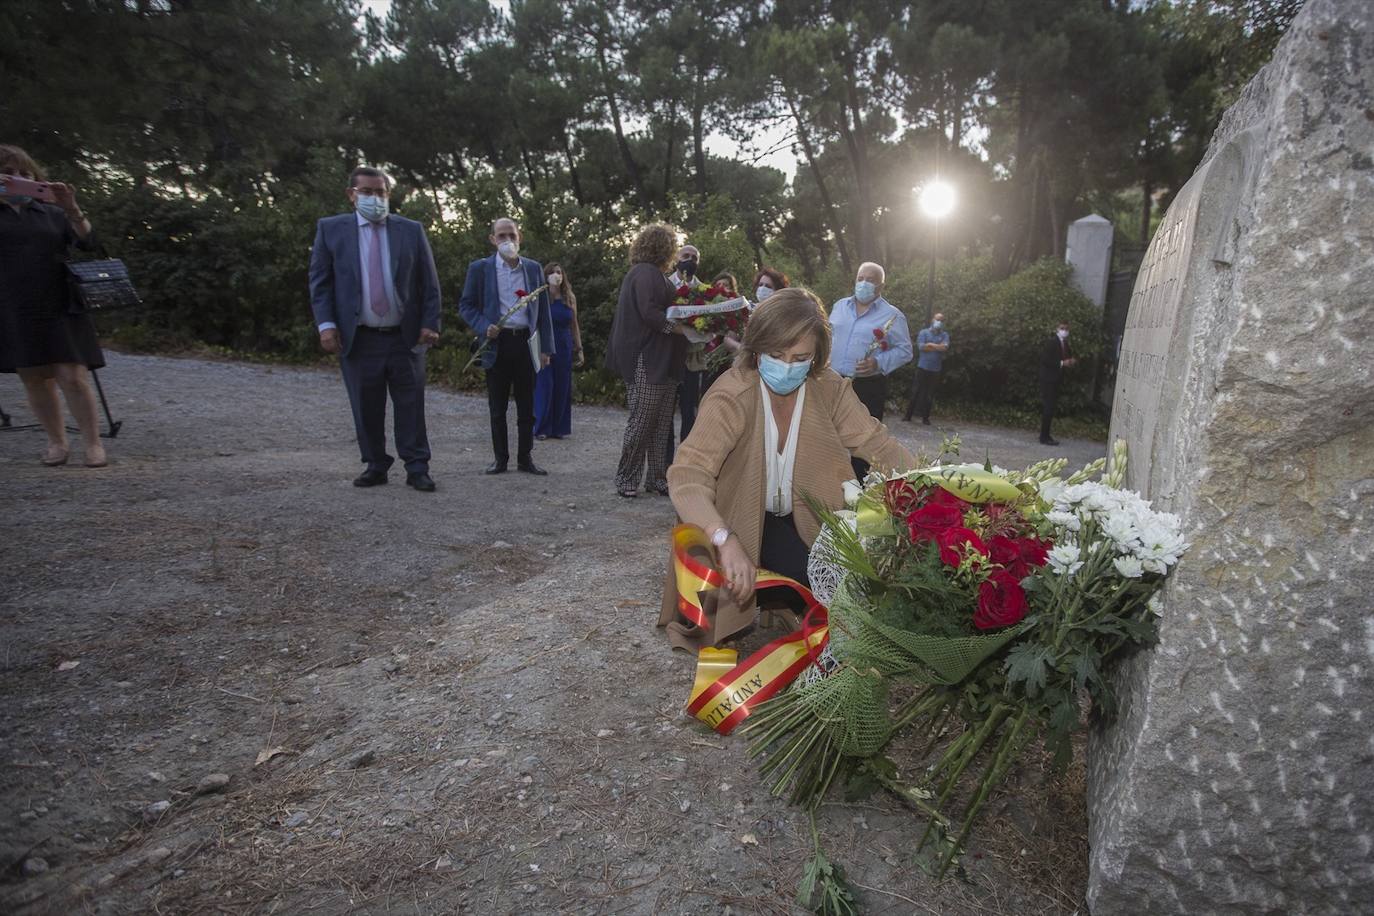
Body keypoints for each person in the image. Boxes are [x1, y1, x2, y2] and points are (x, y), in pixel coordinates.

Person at [659, 287, 917, 650]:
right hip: (732, 519)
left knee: (840, 585)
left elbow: (877, 444)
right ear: (756, 348)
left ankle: (777, 596)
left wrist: (932, 483)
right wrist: (724, 539)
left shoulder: (828, 388)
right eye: (775, 354)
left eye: (801, 357)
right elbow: (688, 475)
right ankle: (766, 593)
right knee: (805, 585)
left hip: (796, 517)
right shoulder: (732, 394)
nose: (786, 366)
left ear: (818, 357)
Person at [309, 166, 442, 491]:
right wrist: (326, 325)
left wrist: (430, 323)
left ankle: (417, 467)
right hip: (359, 337)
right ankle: (375, 463)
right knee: (365, 404)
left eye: (381, 192)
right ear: (352, 195)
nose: (375, 198)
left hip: (404, 336)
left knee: (410, 403)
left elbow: (429, 282)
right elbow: (321, 282)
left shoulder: (410, 230)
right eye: (368, 192)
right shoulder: (331, 230)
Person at [0, 145, 109, 468]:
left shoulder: (53, 212)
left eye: (24, 173)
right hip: (11, 303)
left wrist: (72, 208)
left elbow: (89, 243)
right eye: (9, 172)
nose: (18, 179)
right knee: (34, 377)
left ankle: (93, 443)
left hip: (58, 299)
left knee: (72, 375)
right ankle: (56, 442)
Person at [458, 217, 554, 475]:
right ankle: (500, 459)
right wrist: (483, 325)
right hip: (496, 344)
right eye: (501, 236)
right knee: (497, 407)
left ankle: (525, 458)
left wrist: (546, 348)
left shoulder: (533, 268)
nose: (507, 240)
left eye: (511, 235)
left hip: (526, 342)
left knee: (527, 406)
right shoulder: (480, 268)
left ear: (519, 236)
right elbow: (466, 305)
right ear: (492, 239)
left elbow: (543, 310)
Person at [606, 223, 689, 498]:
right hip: (647, 359)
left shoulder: (658, 276)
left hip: (664, 360)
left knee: (662, 422)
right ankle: (626, 478)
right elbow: (649, 312)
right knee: (642, 420)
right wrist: (679, 328)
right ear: (664, 248)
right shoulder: (644, 273)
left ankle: (656, 478)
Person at [828, 261, 913, 478]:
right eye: (860, 278)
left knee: (864, 442)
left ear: (881, 286)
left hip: (868, 386)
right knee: (828, 435)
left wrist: (879, 363)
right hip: (833, 381)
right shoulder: (839, 307)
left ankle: (858, 488)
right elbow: (827, 338)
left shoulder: (892, 315)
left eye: (870, 280)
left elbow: (905, 351)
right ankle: (828, 485)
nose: (864, 283)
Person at [533, 262, 583, 440]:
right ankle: (541, 427)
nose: (556, 275)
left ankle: (558, 428)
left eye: (559, 272)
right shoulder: (541, 296)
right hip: (545, 344)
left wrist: (579, 348)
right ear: (546, 276)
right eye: (553, 272)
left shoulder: (569, 297)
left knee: (562, 386)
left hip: (564, 344)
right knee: (545, 386)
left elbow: (574, 324)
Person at [666, 243, 705, 467]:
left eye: (694, 257)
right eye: (685, 255)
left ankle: (686, 463)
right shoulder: (664, 284)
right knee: (666, 414)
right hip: (669, 358)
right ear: (676, 259)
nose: (689, 260)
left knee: (689, 412)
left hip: (692, 358)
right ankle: (664, 465)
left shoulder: (704, 290)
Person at [904, 311, 950, 425]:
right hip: (922, 367)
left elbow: (944, 348)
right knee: (915, 391)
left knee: (930, 394)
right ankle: (907, 416)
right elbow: (922, 347)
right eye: (937, 319)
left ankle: (925, 418)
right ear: (932, 320)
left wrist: (931, 345)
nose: (939, 322)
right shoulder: (924, 332)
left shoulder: (945, 335)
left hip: (935, 369)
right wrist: (937, 346)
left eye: (941, 320)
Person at [1039, 321, 1076, 446]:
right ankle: (1044, 436)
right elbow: (1045, 360)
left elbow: (1066, 358)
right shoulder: (1052, 342)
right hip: (1049, 380)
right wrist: (1061, 363)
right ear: (1057, 329)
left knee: (1051, 407)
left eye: (1066, 328)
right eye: (1062, 328)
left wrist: (1070, 362)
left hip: (1057, 380)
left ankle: (1046, 434)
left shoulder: (1065, 343)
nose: (1064, 331)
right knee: (1048, 408)